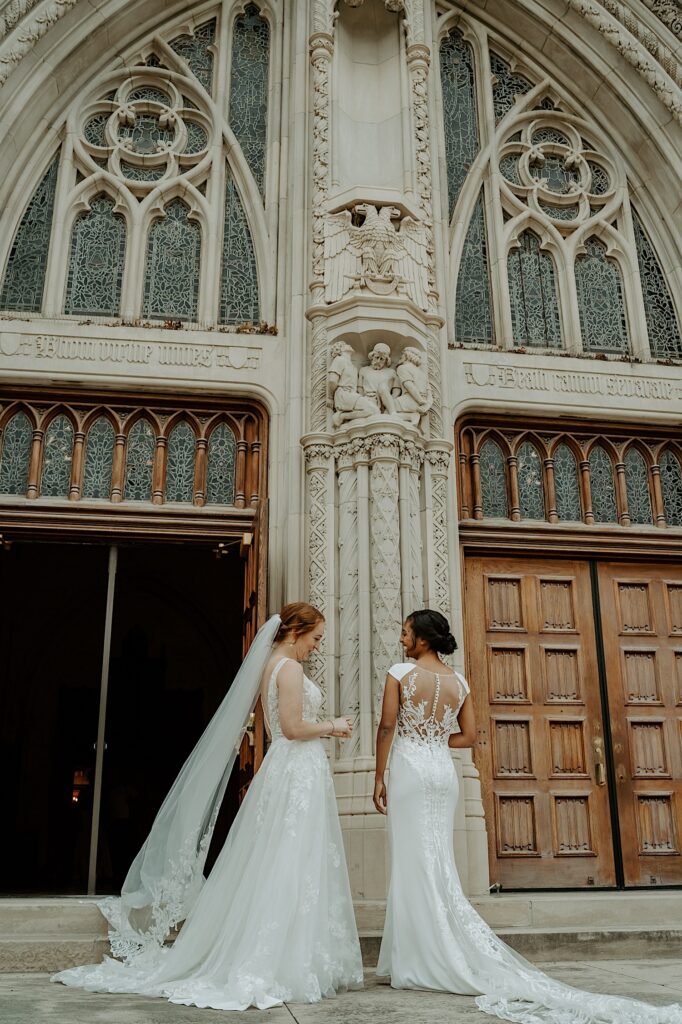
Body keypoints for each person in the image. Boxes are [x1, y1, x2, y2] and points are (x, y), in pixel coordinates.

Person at [374, 608, 682, 1024]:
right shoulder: (459, 681)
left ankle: (417, 958)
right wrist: (433, 738)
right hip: (441, 773)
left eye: (406, 632)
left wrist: (381, 775)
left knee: (412, 862)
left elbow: (387, 727)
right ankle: (416, 953)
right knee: (436, 859)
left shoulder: (399, 673)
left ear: (423, 640)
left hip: (410, 770)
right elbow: (467, 736)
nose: (401, 638)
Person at [53, 603, 363, 1011]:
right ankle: (282, 958)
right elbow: (291, 728)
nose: (316, 647)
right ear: (296, 631)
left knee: (283, 858)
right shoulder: (288, 668)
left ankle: (291, 951)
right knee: (291, 858)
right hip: (295, 769)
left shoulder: (271, 664)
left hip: (289, 770)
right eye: (316, 638)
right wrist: (334, 727)